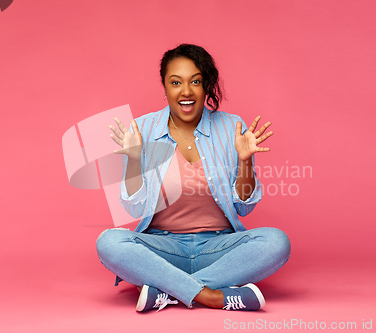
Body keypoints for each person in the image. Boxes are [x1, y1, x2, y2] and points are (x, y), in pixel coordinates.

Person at [96, 44, 290, 312]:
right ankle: (213, 296)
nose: (185, 92)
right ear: (164, 87)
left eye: (195, 82)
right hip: (163, 248)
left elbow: (244, 207)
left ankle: (168, 291)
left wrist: (245, 161)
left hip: (218, 248)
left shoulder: (231, 127)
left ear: (206, 86)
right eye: (176, 82)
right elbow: (134, 208)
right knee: (109, 242)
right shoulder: (142, 129)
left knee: (276, 242)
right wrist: (133, 160)